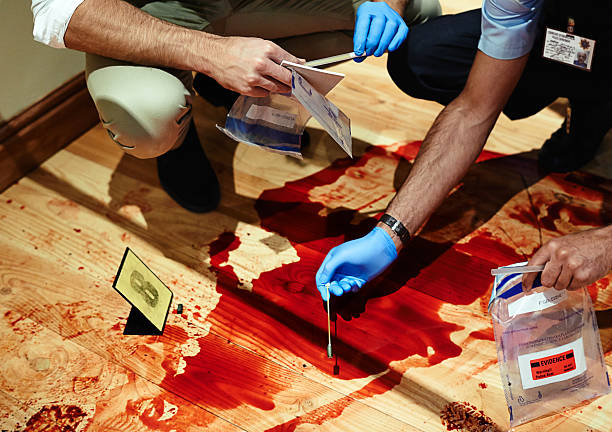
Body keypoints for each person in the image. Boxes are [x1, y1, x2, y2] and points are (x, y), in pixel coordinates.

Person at [316, 0, 612, 299]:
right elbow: (473, 109)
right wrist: (388, 236)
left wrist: (606, 242)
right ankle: (587, 86)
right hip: (569, 30)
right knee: (422, 55)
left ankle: (597, 99)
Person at [31, 0, 440, 213]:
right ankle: (180, 133)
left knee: (418, 11)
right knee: (147, 117)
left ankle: (226, 83)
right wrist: (209, 54)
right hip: (151, 9)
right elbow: (58, 12)